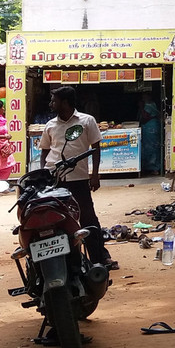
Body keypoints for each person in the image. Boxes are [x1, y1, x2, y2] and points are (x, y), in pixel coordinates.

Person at [40, 86, 118, 270]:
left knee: (88, 219)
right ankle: (66, 262)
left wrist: (95, 175)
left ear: (65, 102)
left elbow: (96, 148)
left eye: (54, 100)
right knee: (58, 220)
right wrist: (45, 172)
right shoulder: (50, 125)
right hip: (55, 180)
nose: (51, 104)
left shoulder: (87, 121)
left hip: (78, 179)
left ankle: (99, 258)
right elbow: (45, 151)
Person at [138, 92, 161, 175]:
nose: (143, 98)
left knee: (152, 147)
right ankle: (149, 167)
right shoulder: (150, 104)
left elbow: (145, 117)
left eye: (145, 96)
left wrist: (141, 107)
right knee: (149, 147)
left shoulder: (149, 105)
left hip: (150, 128)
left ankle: (154, 168)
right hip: (149, 127)